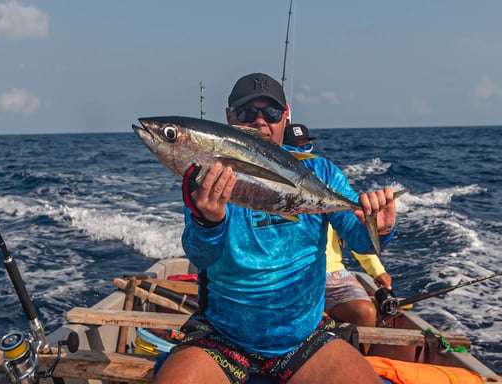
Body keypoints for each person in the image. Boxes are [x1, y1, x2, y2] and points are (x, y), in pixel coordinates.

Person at [153, 72, 397, 384]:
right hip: (223, 336)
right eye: (245, 113)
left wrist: (381, 226)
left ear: (286, 116)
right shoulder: (203, 181)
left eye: (270, 113)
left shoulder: (319, 172)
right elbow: (200, 255)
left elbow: (360, 239)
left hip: (302, 339)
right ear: (229, 117)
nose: (259, 121)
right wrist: (208, 221)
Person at [282, 124, 393, 328]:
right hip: (287, 275)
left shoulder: (324, 180)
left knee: (367, 312)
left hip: (332, 274)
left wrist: (377, 270)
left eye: (305, 148)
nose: (300, 153)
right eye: (292, 148)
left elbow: (353, 233)